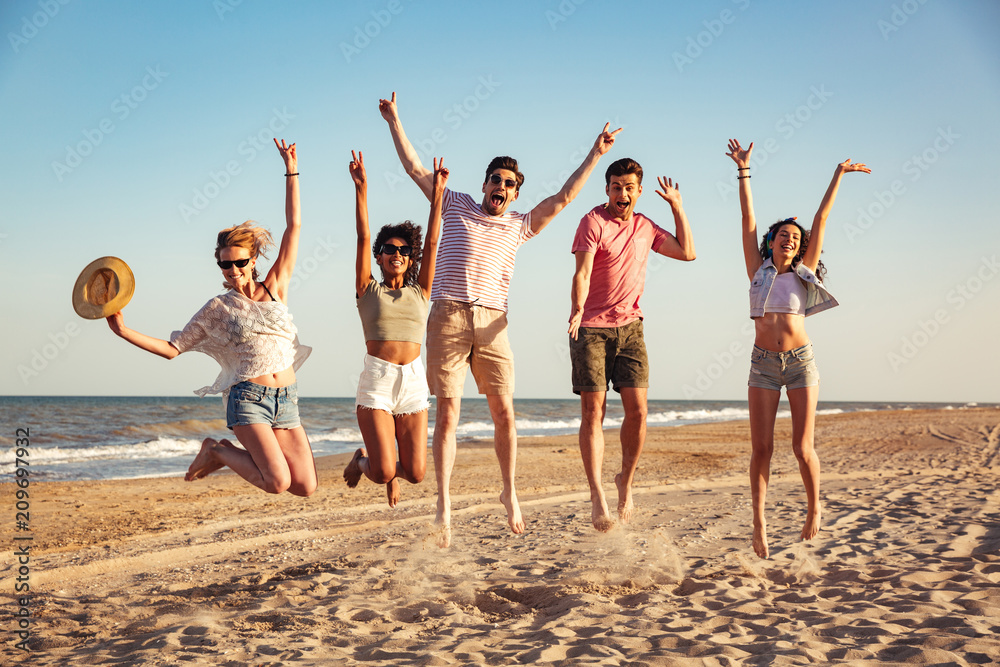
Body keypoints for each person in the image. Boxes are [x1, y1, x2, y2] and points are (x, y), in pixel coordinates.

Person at [379, 91, 621, 545]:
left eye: (509, 184)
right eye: (495, 180)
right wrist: (394, 119)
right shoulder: (453, 203)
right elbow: (414, 167)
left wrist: (596, 152)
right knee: (447, 415)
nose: (501, 188)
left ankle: (509, 493)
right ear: (485, 183)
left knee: (504, 412)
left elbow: (565, 197)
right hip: (448, 317)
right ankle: (444, 508)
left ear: (514, 193)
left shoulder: (519, 224)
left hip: (494, 323)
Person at [106, 139, 317, 497]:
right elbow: (174, 349)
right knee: (278, 483)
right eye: (225, 263)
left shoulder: (276, 285)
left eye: (239, 261)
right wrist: (123, 330)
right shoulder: (218, 308)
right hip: (248, 398)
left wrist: (291, 170)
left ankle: (219, 451)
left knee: (306, 487)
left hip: (288, 398)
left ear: (253, 259)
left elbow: (294, 226)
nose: (232, 269)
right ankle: (217, 450)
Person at [726, 138, 870, 558]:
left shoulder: (803, 275)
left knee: (801, 447)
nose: (789, 239)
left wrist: (838, 175)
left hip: (801, 363)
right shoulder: (757, 270)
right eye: (782, 235)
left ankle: (813, 508)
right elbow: (747, 216)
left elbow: (822, 217)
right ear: (770, 241)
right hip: (763, 365)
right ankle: (759, 522)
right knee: (762, 448)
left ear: (802, 246)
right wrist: (743, 170)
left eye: (795, 237)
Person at [568, 158, 696, 532]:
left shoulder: (644, 227)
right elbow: (583, 272)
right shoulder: (592, 222)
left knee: (638, 411)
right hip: (590, 328)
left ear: (638, 191)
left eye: (628, 187)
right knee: (594, 413)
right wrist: (577, 310)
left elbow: (687, 252)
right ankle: (597, 495)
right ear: (606, 189)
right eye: (615, 187)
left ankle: (625, 479)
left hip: (631, 328)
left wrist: (677, 207)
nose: (621, 194)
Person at [342, 151, 447, 507]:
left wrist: (437, 198)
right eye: (388, 249)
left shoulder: (422, 290)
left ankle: (383, 468)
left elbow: (433, 243)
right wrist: (361, 189)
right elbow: (361, 236)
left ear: (411, 257)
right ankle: (361, 461)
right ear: (380, 256)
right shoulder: (367, 288)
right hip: (378, 382)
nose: (396, 253)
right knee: (385, 470)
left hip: (414, 382)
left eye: (403, 249)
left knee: (416, 473)